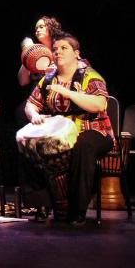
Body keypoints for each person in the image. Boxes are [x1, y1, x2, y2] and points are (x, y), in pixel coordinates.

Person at [19, 34, 113, 225]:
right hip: (62, 133)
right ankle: (42, 205)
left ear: (76, 54)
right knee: (26, 143)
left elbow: (99, 104)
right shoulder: (48, 79)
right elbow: (30, 104)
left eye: (64, 48)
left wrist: (67, 92)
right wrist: (34, 115)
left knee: (83, 146)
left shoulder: (90, 76)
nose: (58, 52)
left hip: (94, 130)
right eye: (55, 49)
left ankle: (78, 210)